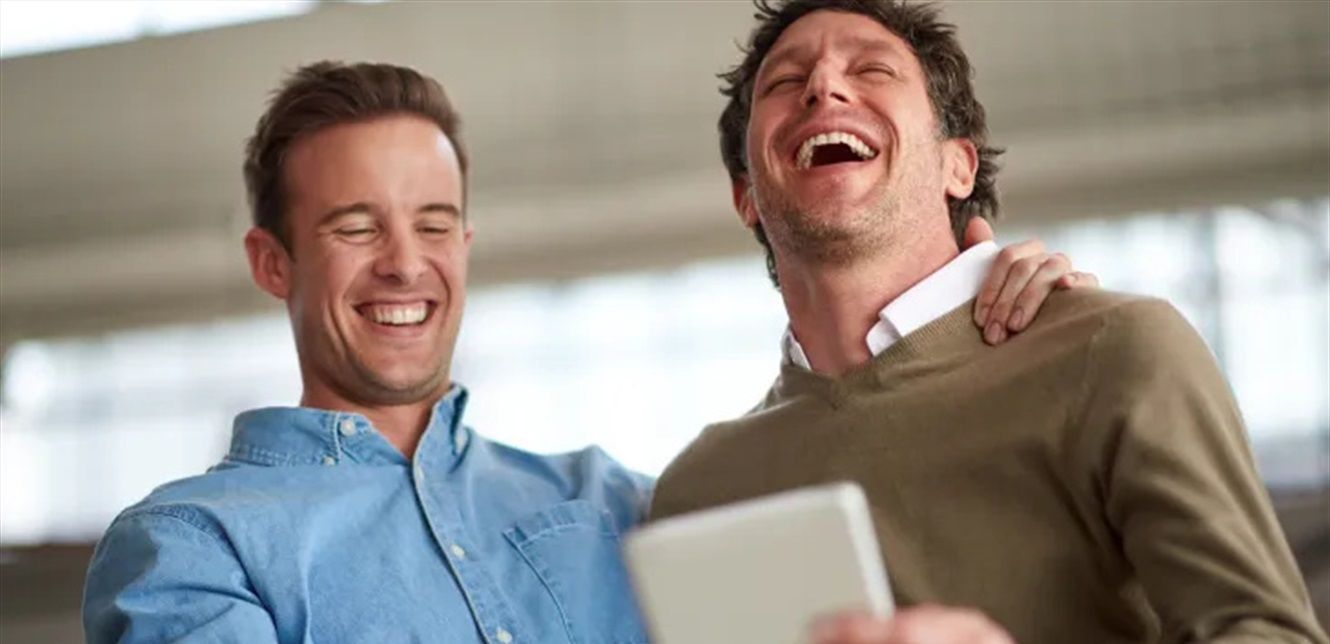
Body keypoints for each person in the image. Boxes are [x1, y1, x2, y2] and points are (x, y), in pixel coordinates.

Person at [82, 61, 1084, 643]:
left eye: (434, 224)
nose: (405, 264)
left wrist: (970, 325)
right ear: (272, 262)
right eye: (355, 227)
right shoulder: (191, 544)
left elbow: (835, 472)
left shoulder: (615, 501)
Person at [647, 2, 1328, 644]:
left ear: (958, 165)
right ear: (746, 196)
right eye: (785, 81)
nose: (822, 85)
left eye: (872, 69)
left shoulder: (1114, 351)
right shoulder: (697, 493)